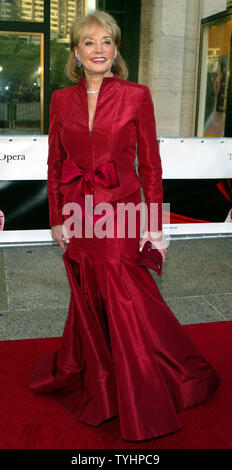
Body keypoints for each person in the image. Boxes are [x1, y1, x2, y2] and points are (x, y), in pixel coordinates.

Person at [30, 10, 221, 442]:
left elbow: (151, 163)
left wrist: (153, 223)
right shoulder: (61, 99)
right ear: (76, 54)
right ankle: (102, 375)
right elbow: (54, 164)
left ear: (116, 50)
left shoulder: (137, 95)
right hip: (79, 210)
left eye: (107, 42)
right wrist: (57, 218)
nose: (99, 50)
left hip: (122, 208)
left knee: (123, 287)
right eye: (89, 43)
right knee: (89, 288)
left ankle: (146, 386)